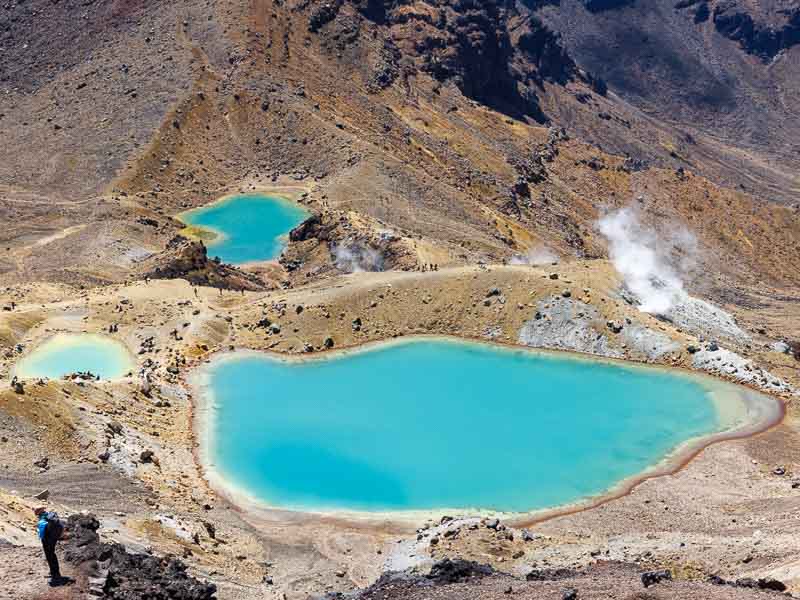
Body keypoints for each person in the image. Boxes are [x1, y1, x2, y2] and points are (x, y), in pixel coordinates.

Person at [34, 507, 68, 586]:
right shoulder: (50, 516)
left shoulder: (43, 519)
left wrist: (43, 539)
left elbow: (42, 532)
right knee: (52, 554)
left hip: (47, 539)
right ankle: (54, 572)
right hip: (53, 538)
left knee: (50, 555)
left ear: (39, 513)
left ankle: (56, 575)